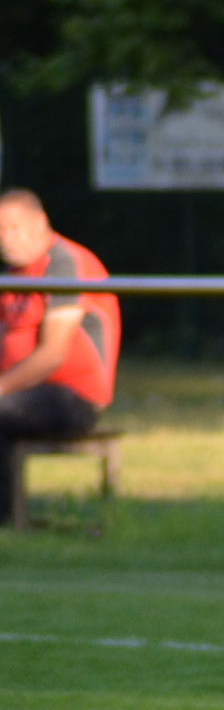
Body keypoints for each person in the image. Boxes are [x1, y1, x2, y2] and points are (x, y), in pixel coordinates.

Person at [0, 190, 121, 522]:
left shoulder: (63, 262)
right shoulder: (12, 273)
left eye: (14, 228)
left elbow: (52, 355)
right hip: (23, 391)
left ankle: (8, 520)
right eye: (0, 231)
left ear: (41, 223)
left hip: (73, 397)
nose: (6, 239)